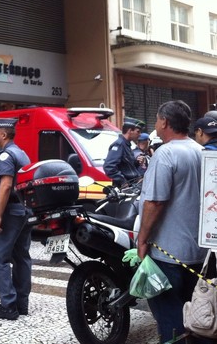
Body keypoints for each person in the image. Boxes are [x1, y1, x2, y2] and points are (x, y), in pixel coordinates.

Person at [137, 100, 207, 344]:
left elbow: (154, 203)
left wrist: (142, 240)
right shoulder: (201, 151)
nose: (155, 125)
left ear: (164, 122)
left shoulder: (165, 154)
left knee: (170, 318)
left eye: (157, 120)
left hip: (168, 254)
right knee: (197, 315)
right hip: (199, 254)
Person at [0, 117, 31, 320]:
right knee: (22, 257)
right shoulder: (21, 153)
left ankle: (8, 305)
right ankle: (22, 304)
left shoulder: (5, 155)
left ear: (3, 135)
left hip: (10, 211)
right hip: (23, 211)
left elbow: (5, 186)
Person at [104, 117, 143, 188]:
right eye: (138, 131)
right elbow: (109, 167)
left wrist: (137, 162)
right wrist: (123, 182)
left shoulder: (127, 145)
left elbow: (127, 167)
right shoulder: (119, 145)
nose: (140, 134)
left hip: (133, 186)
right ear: (130, 131)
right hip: (125, 189)